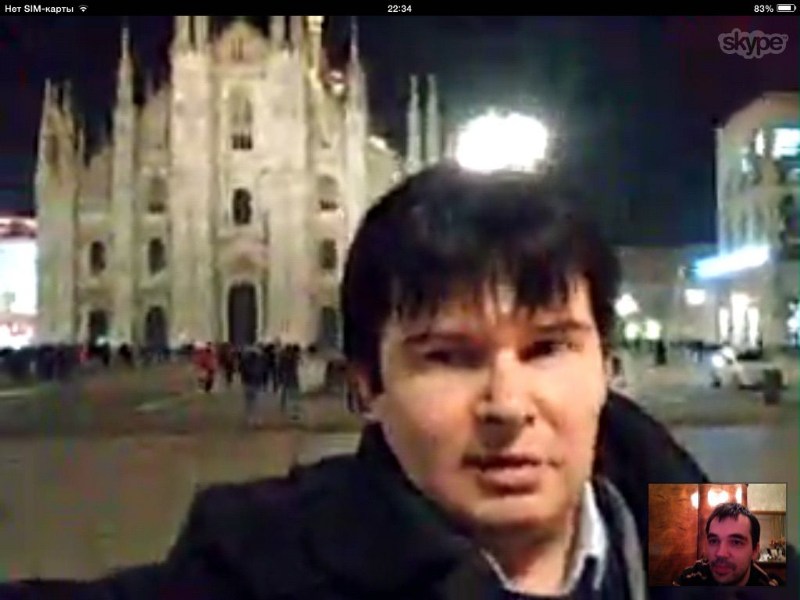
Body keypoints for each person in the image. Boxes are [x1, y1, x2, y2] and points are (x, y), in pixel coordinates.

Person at [2, 166, 797, 599]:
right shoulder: (267, 562)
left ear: (607, 367)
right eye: (448, 356)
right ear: (366, 385)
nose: (507, 405)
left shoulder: (707, 533)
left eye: (548, 347)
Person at [673, 502, 783, 587]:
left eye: (736, 542)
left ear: (754, 551)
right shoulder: (691, 578)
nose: (720, 553)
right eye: (714, 541)